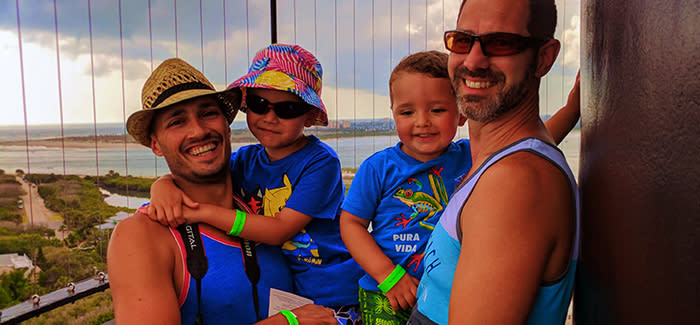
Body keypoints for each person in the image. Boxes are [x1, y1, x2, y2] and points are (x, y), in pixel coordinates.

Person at [340, 50, 579, 324]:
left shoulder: (472, 157)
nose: (422, 121)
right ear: (393, 114)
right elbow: (351, 224)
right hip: (386, 294)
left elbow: (527, 148)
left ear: (462, 114)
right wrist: (387, 275)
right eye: (407, 112)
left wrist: (572, 110)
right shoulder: (378, 168)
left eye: (437, 110)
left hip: (442, 295)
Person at [107, 57, 336, 324]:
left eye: (208, 113)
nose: (198, 130)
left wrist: (165, 183)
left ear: (226, 127)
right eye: (176, 122)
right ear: (155, 145)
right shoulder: (143, 234)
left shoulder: (257, 204)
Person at [409, 0, 580, 324]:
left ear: (544, 58)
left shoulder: (514, 185)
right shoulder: (501, 163)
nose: (473, 61)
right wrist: (572, 108)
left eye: (500, 42)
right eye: (462, 41)